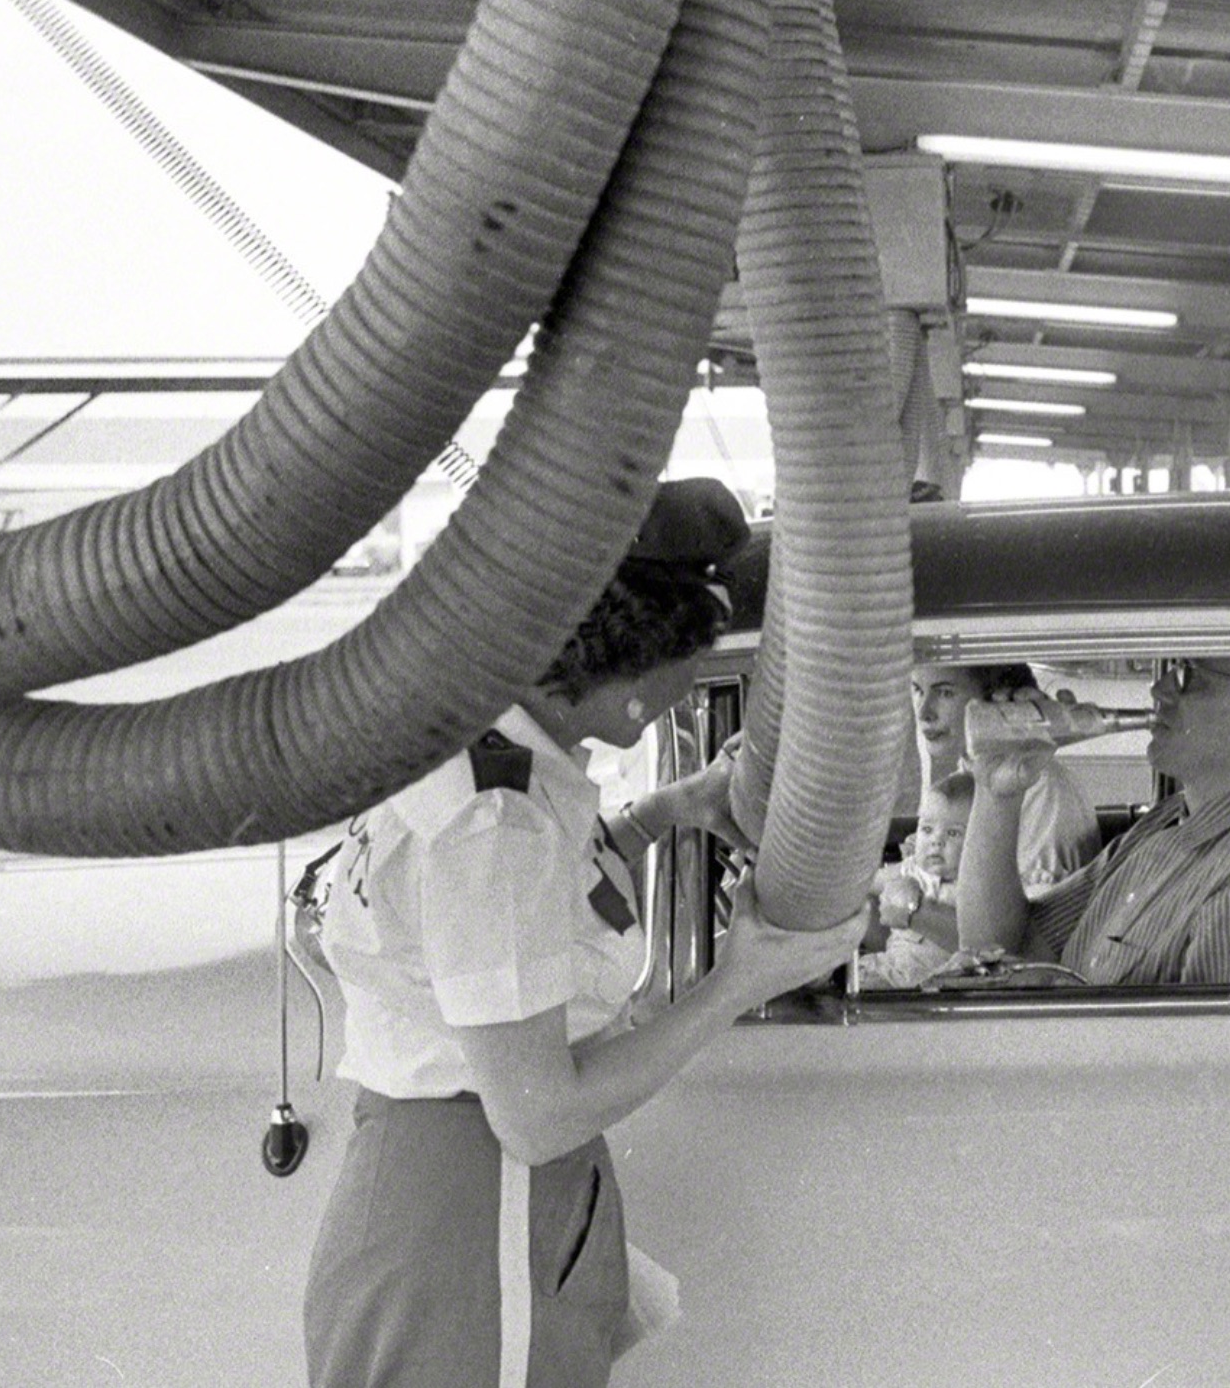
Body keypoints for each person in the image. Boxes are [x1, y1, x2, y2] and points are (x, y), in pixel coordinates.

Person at [301, 479, 866, 1388]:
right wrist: (735, 984)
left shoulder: (484, 755)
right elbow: (537, 1114)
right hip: (479, 1211)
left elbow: (513, 922)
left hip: (449, 1193)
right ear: (641, 678)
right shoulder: (500, 820)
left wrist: (659, 815)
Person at [955, 656, 1230, 985]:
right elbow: (997, 951)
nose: (1159, 690)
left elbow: (1218, 1065)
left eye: (1189, 674)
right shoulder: (1163, 823)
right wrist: (998, 793)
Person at [912, 660, 1099, 898]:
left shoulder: (1039, 788)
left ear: (993, 704)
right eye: (918, 690)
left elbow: (1034, 919)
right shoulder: (968, 773)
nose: (924, 712)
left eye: (946, 693)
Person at [857, 772, 972, 988]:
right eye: (927, 830)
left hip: (939, 980)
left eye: (954, 834)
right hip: (893, 968)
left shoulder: (975, 885)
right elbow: (865, 882)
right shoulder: (912, 870)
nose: (936, 841)